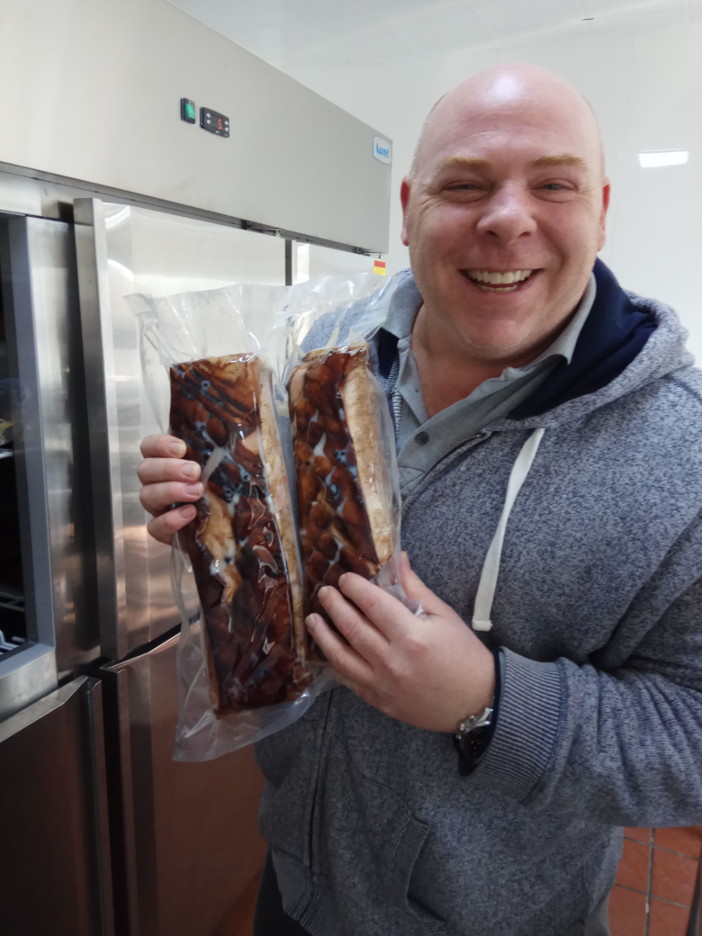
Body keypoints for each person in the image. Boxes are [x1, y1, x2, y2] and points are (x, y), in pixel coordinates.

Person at [138, 63, 702, 936]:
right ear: (408, 208)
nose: (507, 218)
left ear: (601, 208)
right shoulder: (327, 349)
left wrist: (489, 702)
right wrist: (215, 520)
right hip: (296, 884)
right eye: (464, 184)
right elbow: (286, 558)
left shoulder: (683, 455)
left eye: (552, 184)